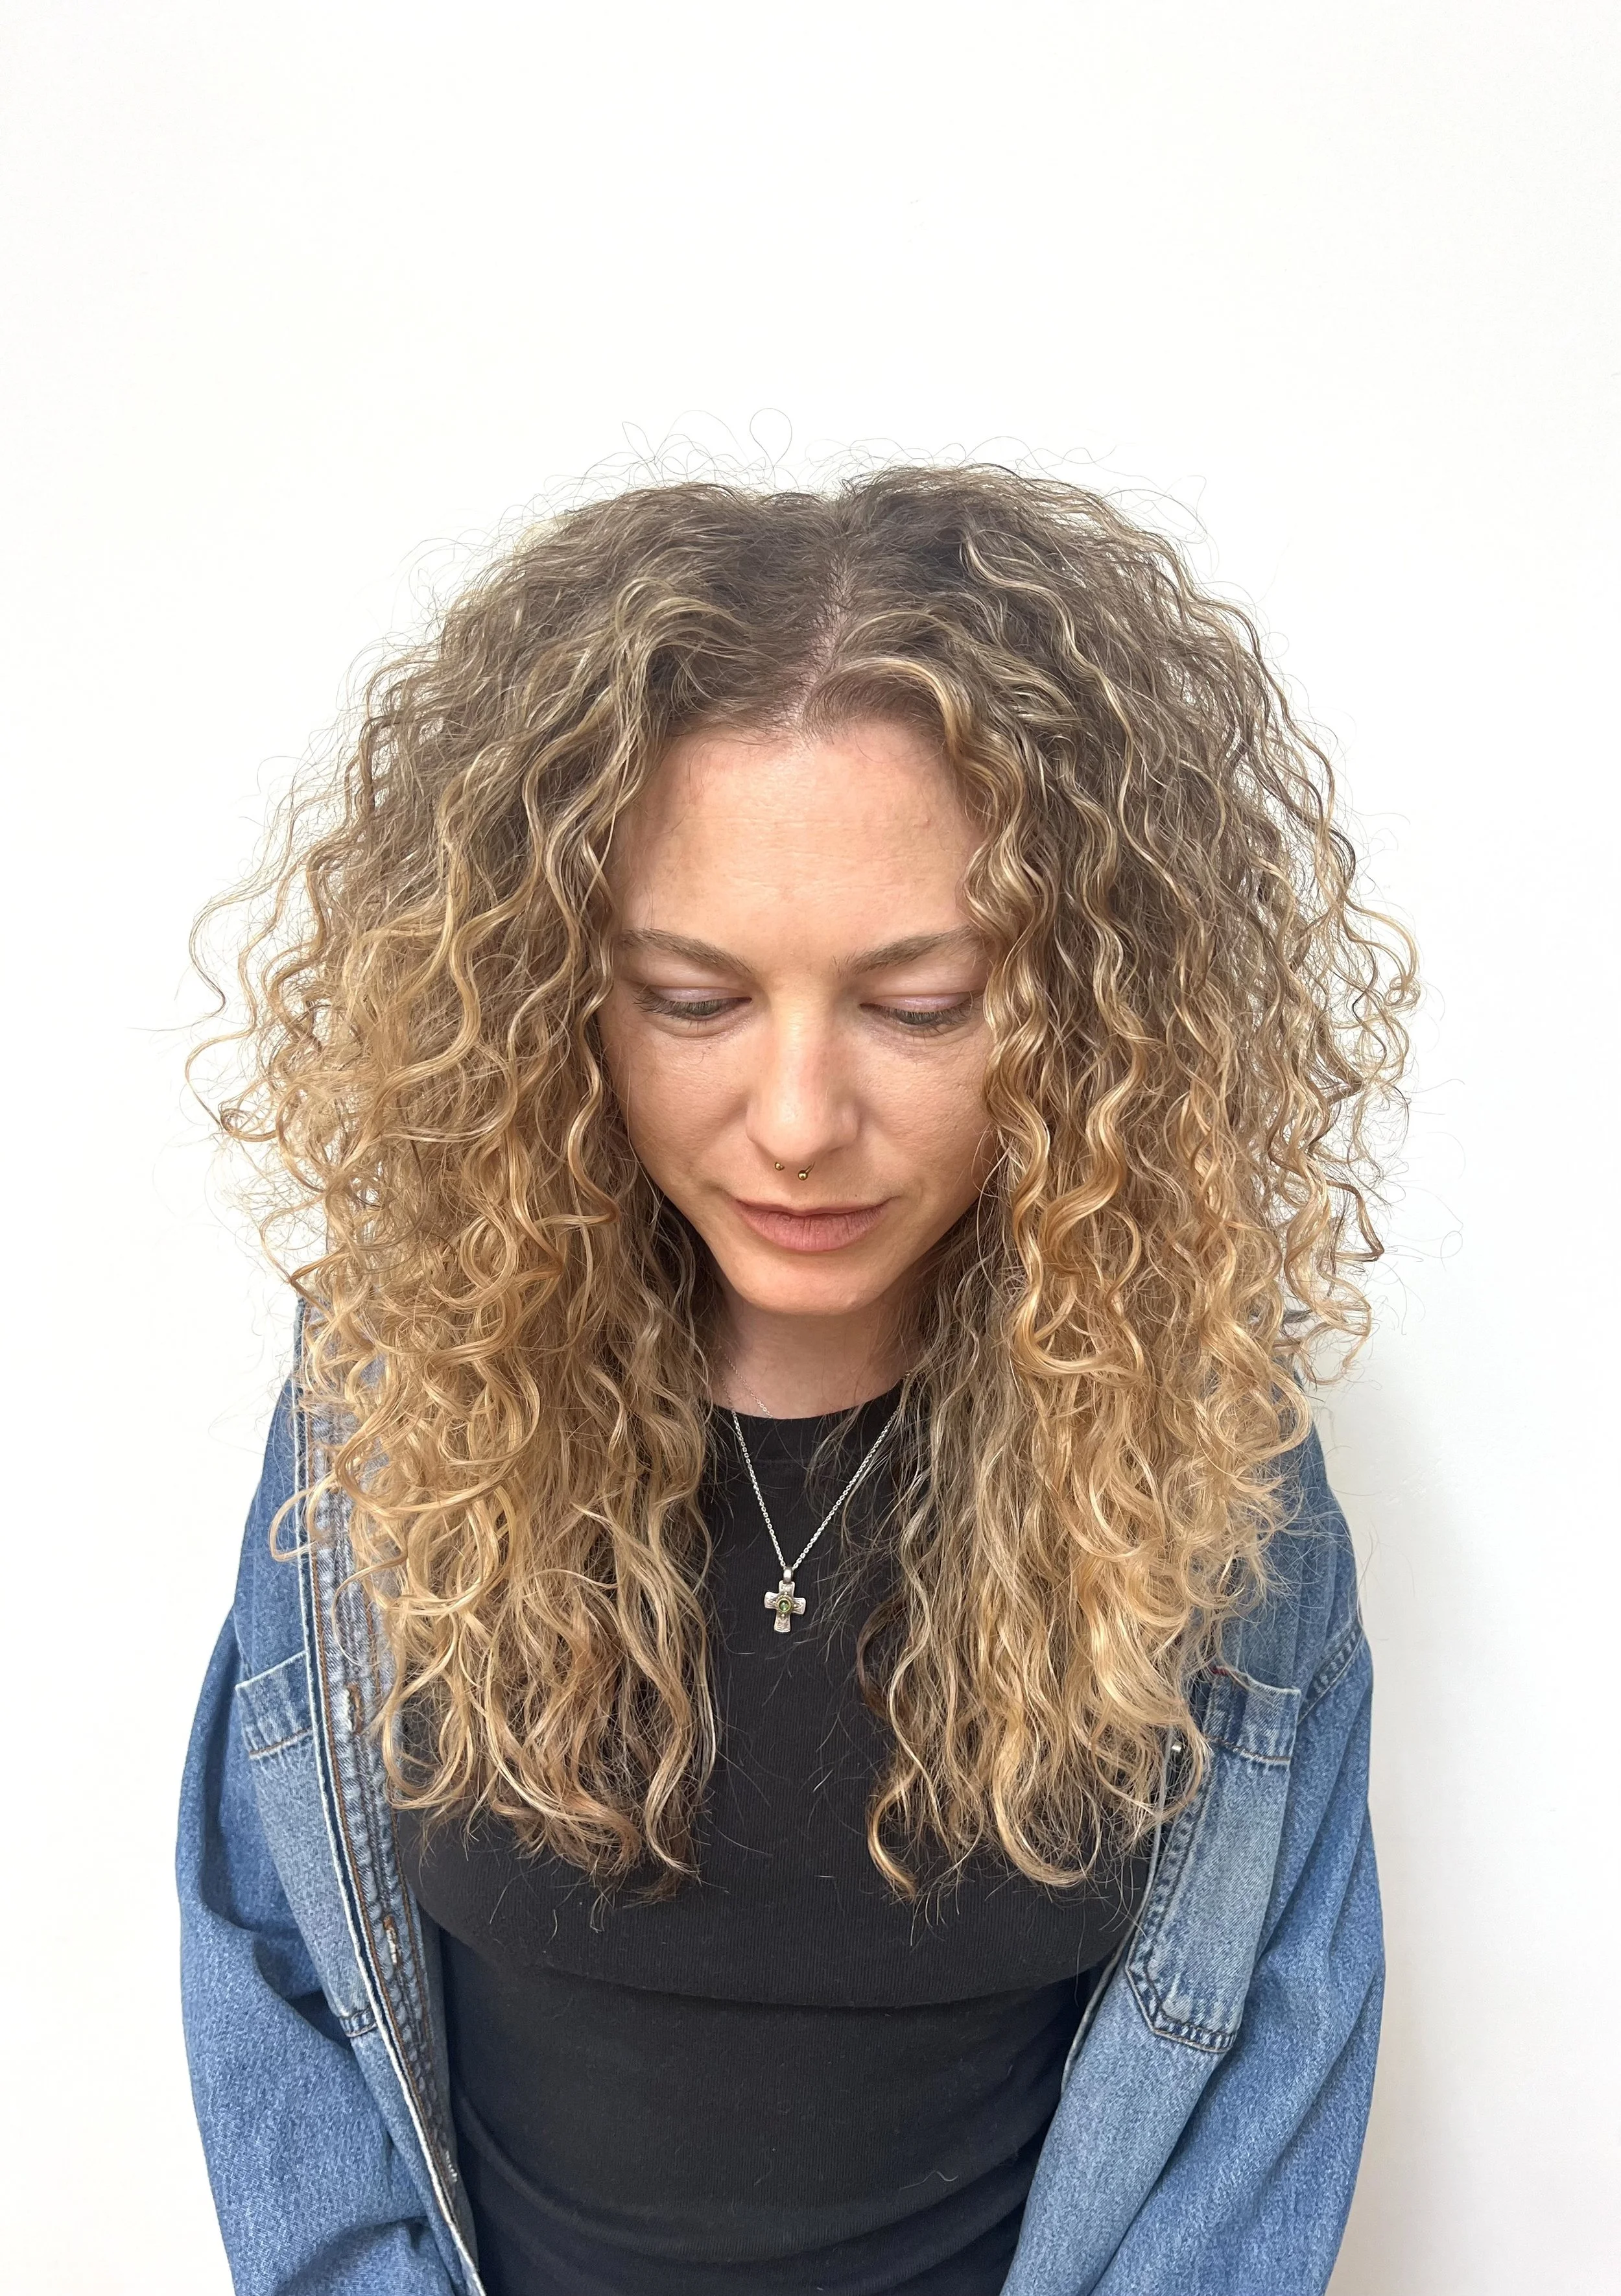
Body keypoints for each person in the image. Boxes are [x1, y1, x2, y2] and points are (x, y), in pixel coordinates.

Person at [177, 464, 1416, 2296]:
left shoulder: (1198, 1463)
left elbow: (1261, 2076)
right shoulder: (395, 1408)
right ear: (549, 997)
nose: (795, 1120)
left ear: (1080, 1005)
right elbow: (275, 1972)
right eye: (689, 997)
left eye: (920, 1003)